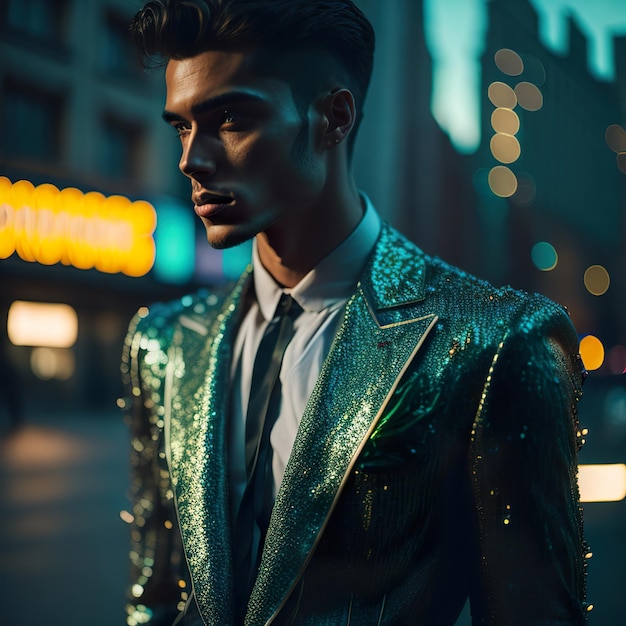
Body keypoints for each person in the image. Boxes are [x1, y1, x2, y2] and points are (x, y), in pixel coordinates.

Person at [121, 1, 589, 624]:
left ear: (332, 118)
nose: (191, 159)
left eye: (229, 118)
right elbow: (154, 595)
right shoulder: (161, 344)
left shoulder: (496, 345)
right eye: (181, 126)